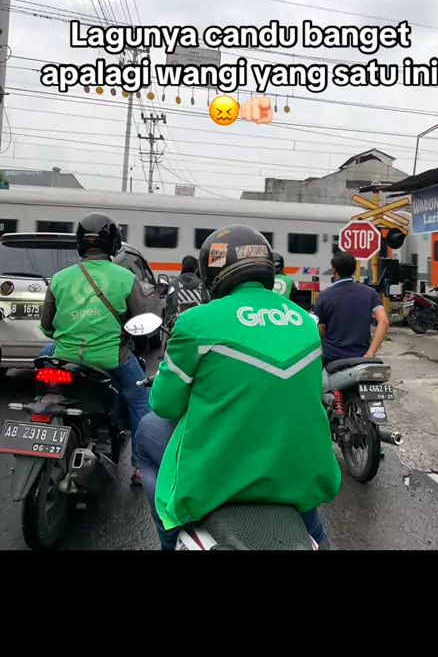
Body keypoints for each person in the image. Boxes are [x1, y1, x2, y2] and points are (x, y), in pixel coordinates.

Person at [136, 225, 341, 550]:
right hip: (300, 474)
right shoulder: (305, 322)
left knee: (146, 430)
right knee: (315, 531)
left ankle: (171, 537)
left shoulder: (196, 322)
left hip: (220, 475)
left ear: (212, 272)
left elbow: (164, 404)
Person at [40, 212, 151, 486]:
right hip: (111, 357)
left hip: (65, 356)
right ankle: (140, 467)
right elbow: (140, 323)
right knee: (140, 400)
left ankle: (46, 403)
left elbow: (47, 326)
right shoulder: (125, 278)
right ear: (114, 243)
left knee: (46, 351)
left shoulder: (59, 278)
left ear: (80, 242)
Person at [313, 251, 390, 368]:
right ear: (354, 270)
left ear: (334, 270)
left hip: (332, 358)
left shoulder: (323, 296)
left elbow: (320, 332)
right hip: (361, 358)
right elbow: (384, 321)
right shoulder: (370, 293)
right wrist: (370, 354)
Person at [164, 255, 203, 333]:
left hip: (177, 324)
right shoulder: (202, 284)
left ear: (183, 267)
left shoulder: (174, 283)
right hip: (198, 324)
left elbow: (168, 303)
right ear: (196, 268)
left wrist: (168, 322)